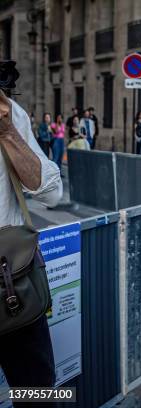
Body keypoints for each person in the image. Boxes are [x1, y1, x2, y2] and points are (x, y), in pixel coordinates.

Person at [0, 90, 61, 393]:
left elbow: (51, 193)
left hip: (12, 284)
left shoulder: (8, 113)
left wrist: (7, 131)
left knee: (36, 393)